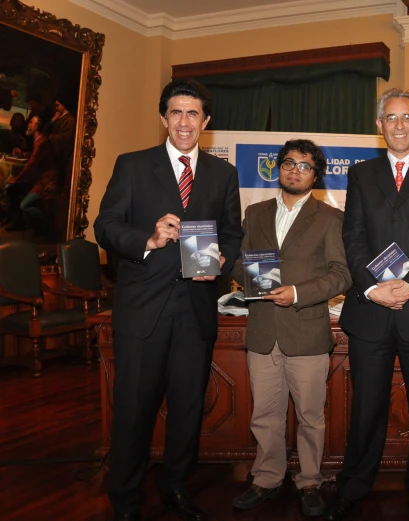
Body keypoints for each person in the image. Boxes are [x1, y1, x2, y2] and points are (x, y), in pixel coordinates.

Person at [93, 78, 243, 521]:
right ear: (163, 118)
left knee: (188, 409)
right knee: (134, 411)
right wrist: (148, 239)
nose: (184, 122)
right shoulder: (133, 166)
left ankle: (176, 486)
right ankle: (124, 496)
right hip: (143, 313)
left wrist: (222, 258)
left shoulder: (223, 174)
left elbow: (232, 233)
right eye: (175, 112)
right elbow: (105, 226)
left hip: (196, 312)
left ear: (206, 121)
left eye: (193, 113)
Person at [324, 88, 409, 521]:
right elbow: (353, 236)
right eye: (390, 118)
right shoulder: (362, 175)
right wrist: (374, 288)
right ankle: (354, 485)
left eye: (407, 118)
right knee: (366, 406)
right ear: (379, 126)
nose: (399, 125)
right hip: (371, 309)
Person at [229, 139, 351, 517]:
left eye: (304, 165)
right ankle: (266, 478)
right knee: (264, 414)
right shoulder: (256, 212)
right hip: (263, 330)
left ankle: (310, 480)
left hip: (306, 331)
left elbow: (341, 275)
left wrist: (298, 292)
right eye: (288, 163)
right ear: (277, 168)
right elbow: (238, 263)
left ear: (317, 175)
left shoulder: (331, 218)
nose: (294, 170)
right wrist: (248, 277)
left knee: (310, 416)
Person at [4, 115, 58, 232]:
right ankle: (19, 221)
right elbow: (35, 155)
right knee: (12, 189)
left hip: (47, 181)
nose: (28, 124)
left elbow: (32, 163)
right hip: (41, 179)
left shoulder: (41, 141)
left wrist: (17, 178)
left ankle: (47, 227)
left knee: (23, 203)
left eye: (31, 123)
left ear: (37, 126)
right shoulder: (38, 139)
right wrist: (23, 154)